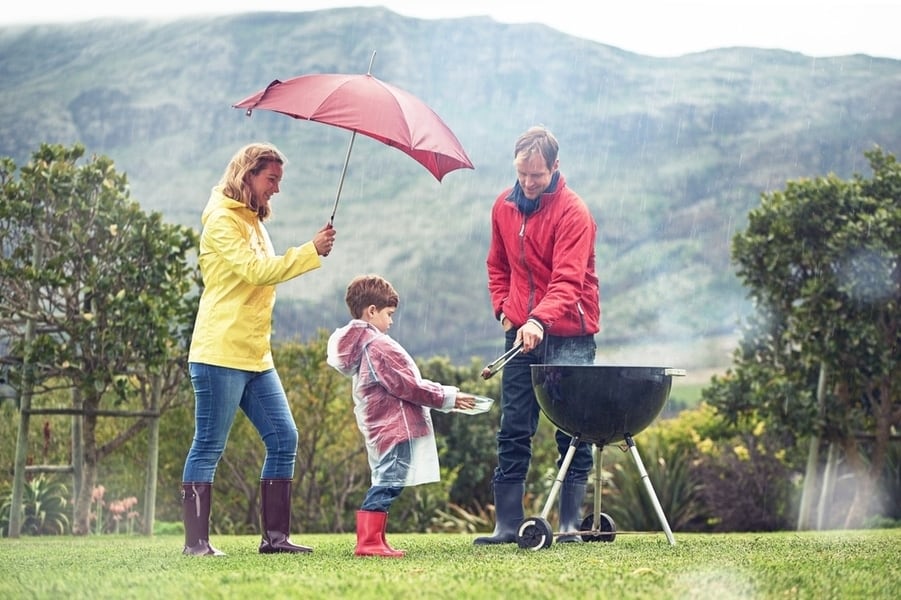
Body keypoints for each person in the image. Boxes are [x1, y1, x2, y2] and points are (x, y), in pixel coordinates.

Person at [181, 142, 337, 557]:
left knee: (284, 436)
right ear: (247, 175)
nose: (276, 189)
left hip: (255, 354)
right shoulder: (220, 221)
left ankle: (276, 539)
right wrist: (310, 251)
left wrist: (308, 252)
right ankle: (196, 544)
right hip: (219, 352)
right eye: (272, 179)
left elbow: (261, 276)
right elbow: (255, 271)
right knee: (209, 445)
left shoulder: (253, 222)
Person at [477, 126, 600, 545]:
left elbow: (568, 281)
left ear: (555, 167)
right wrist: (503, 310)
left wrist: (539, 319)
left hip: (570, 335)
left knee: (573, 431)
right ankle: (507, 525)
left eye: (537, 175)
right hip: (520, 336)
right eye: (522, 173)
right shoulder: (502, 207)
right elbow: (498, 267)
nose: (528, 182)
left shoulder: (574, 212)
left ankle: (568, 526)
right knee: (513, 427)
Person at [326, 274, 476, 557]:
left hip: (383, 425)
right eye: (388, 314)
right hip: (395, 424)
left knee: (388, 478)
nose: (391, 321)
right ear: (371, 311)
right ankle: (369, 542)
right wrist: (449, 396)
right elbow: (408, 386)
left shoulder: (365, 345)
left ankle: (376, 539)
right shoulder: (378, 346)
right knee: (389, 480)